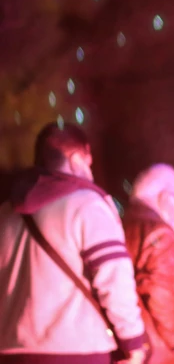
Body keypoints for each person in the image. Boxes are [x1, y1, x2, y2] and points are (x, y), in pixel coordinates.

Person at [0, 122, 147, 364]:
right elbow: (114, 279)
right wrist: (134, 343)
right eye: (88, 163)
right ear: (78, 158)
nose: (90, 172)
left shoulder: (6, 213)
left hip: (10, 352)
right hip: (77, 352)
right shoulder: (88, 205)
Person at [123, 164, 174, 364]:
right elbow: (159, 294)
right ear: (165, 197)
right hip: (159, 354)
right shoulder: (160, 235)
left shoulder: (121, 226)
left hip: (132, 350)